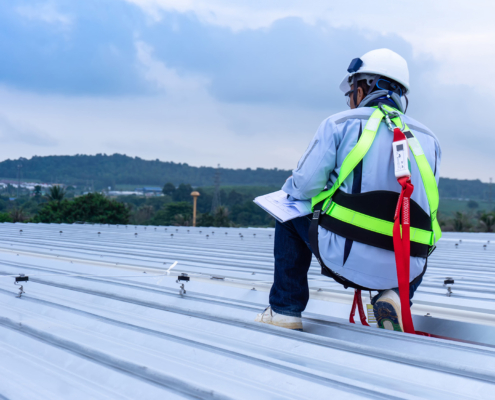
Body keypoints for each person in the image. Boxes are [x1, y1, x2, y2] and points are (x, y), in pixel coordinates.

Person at [255, 48, 441, 332]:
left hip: (345, 255)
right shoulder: (430, 139)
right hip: (405, 267)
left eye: (351, 91)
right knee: (422, 235)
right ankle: (397, 297)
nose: (350, 99)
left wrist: (290, 190)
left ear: (365, 85)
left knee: (287, 212)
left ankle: (285, 309)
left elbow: (305, 187)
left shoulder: (339, 123)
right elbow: (425, 205)